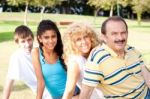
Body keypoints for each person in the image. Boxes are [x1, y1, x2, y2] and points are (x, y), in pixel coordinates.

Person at [79, 16, 150, 99]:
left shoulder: (132, 50)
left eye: (123, 32)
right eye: (114, 34)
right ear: (104, 37)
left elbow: (147, 76)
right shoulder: (97, 59)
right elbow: (86, 92)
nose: (120, 38)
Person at [32, 20, 79, 99]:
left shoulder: (63, 50)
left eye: (53, 36)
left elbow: (74, 77)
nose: (50, 41)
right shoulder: (36, 52)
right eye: (46, 37)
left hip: (73, 94)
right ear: (40, 39)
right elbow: (41, 82)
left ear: (57, 36)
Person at [2, 25, 51, 99]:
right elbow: (9, 82)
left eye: (29, 40)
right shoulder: (16, 57)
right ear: (17, 43)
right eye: (23, 41)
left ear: (33, 39)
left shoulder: (41, 52)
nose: (27, 44)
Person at [62, 22, 104, 99]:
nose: (84, 42)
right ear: (72, 43)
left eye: (85, 37)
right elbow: (69, 91)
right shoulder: (75, 62)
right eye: (78, 39)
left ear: (91, 38)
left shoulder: (95, 54)